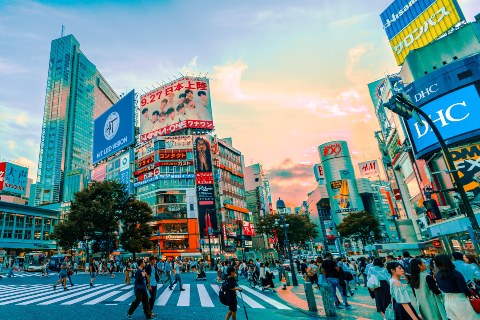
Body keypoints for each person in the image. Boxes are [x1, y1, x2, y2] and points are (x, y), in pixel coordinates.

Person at [434, 254, 479, 320]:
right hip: (460, 300)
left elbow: (440, 287)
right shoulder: (455, 273)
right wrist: (472, 288)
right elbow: (464, 289)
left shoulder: (437, 274)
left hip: (447, 301)